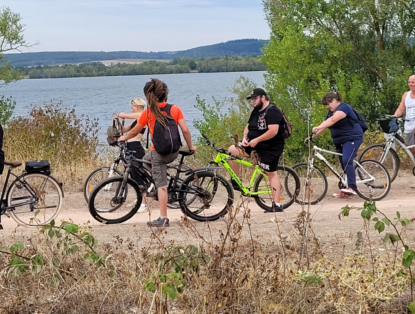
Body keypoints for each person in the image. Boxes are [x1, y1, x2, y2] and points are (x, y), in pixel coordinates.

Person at [119, 78, 196, 227]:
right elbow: (185, 130)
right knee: (146, 160)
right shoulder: (175, 109)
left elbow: (135, 130)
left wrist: (124, 137)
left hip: (159, 153)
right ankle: (160, 179)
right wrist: (191, 146)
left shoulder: (149, 112)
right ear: (166, 95)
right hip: (174, 151)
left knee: (161, 185)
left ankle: (163, 218)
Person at [228, 88, 286, 212]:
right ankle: (236, 181)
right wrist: (244, 138)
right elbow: (248, 127)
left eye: (255, 99)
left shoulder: (272, 111)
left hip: (270, 147)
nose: (253, 101)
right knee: (232, 150)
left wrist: (257, 140)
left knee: (271, 174)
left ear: (263, 97)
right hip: (253, 145)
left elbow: (273, 131)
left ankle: (277, 204)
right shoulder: (256, 111)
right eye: (252, 99)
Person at [312, 91, 364, 197]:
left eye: (328, 104)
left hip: (352, 138)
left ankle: (352, 187)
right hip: (341, 141)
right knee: (343, 165)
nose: (327, 107)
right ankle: (346, 190)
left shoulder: (344, 108)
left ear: (334, 101)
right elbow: (325, 124)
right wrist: (312, 136)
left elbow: (332, 120)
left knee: (347, 161)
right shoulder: (331, 112)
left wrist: (318, 126)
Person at [118, 98, 148, 212]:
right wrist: (118, 122)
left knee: (138, 175)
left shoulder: (141, 115)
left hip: (136, 147)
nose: (131, 109)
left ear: (138, 107)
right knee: (133, 175)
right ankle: (139, 198)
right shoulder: (136, 119)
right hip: (130, 147)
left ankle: (144, 203)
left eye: (132, 107)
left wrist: (121, 114)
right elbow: (125, 129)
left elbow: (124, 114)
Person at [394, 75, 415, 155]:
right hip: (409, 126)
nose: (410, 84)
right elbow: (400, 109)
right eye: (409, 82)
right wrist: (394, 117)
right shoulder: (406, 95)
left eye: (413, 82)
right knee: (412, 150)